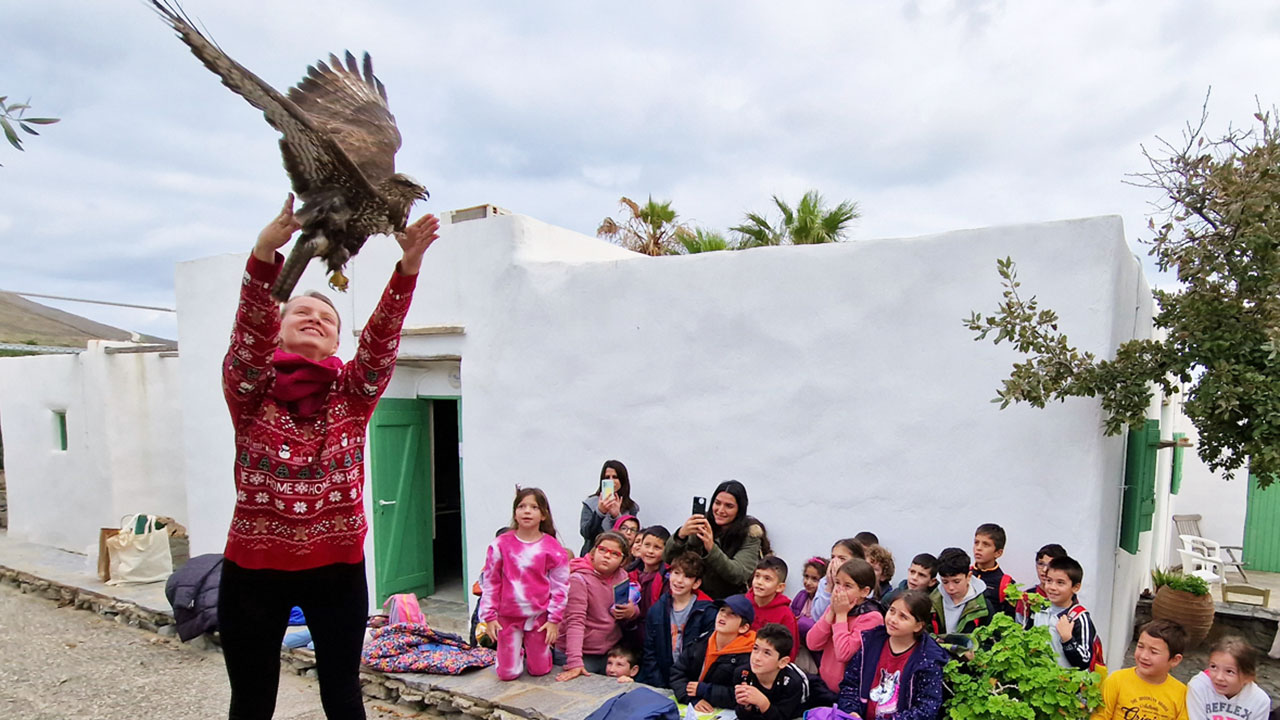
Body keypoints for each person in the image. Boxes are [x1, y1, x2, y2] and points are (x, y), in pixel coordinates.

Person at [218, 196, 438, 720]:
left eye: (326, 317)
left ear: (338, 338)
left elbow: (382, 341)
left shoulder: (352, 395)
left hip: (337, 570)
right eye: (301, 312)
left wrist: (407, 267)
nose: (314, 319)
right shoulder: (249, 391)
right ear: (281, 325)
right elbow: (249, 336)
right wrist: (264, 256)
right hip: (253, 571)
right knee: (251, 701)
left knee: (343, 696)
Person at [479, 488, 570, 681]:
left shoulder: (553, 548)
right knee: (507, 674)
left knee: (540, 670)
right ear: (515, 513)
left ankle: (532, 653)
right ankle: (512, 656)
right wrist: (489, 616)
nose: (527, 511)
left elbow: (560, 587)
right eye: (521, 506)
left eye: (534, 507)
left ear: (543, 514)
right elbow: (490, 582)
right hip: (507, 617)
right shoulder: (500, 545)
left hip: (539, 618)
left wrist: (554, 621)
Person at [837, 590, 950, 720]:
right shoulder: (870, 642)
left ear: (918, 626)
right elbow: (850, 684)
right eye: (892, 611)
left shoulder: (927, 659)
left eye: (903, 617)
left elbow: (927, 707)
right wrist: (851, 711)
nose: (893, 619)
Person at [556, 531, 639, 681]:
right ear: (593, 552)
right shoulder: (579, 579)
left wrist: (631, 611)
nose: (607, 556)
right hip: (580, 652)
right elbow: (575, 621)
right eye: (602, 550)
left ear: (623, 561)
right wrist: (575, 661)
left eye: (614, 554)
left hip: (609, 651)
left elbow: (628, 603)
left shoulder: (622, 576)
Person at [664, 480, 766, 599]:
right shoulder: (702, 522)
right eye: (717, 503)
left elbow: (738, 574)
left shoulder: (750, 534)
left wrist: (711, 548)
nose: (720, 510)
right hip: (693, 598)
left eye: (729, 506)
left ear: (740, 510)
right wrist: (680, 536)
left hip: (726, 602)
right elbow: (668, 558)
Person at [638, 551, 716, 688]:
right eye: (676, 573)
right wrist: (660, 685)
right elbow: (650, 653)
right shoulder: (656, 610)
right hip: (662, 680)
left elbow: (707, 655)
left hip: (692, 684)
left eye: (687, 576)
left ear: (696, 583)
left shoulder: (706, 612)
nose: (679, 580)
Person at [807, 558, 885, 693]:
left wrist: (841, 615)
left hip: (849, 691)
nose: (839, 590)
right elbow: (812, 643)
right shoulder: (836, 607)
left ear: (864, 591)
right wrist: (832, 611)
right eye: (837, 583)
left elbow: (844, 653)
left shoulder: (871, 617)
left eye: (848, 586)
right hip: (824, 684)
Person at [670, 594, 758, 713]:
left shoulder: (750, 656)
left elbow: (741, 695)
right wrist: (691, 699)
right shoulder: (702, 640)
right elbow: (677, 672)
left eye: (732, 614)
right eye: (722, 610)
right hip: (693, 707)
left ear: (743, 628)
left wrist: (704, 690)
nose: (723, 615)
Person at [1092, 619, 1188, 720]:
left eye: (1154, 652)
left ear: (1175, 660)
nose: (1143, 656)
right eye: (1140, 647)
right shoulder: (1117, 680)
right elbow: (1100, 716)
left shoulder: (1181, 694)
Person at [1021, 556, 1103, 672]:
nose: (1052, 587)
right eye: (1049, 581)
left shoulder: (1079, 617)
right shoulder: (1038, 608)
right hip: (1040, 681)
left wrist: (1067, 639)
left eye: (1060, 583)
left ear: (1075, 587)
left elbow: (1084, 661)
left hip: (1067, 684)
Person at [735, 623, 812, 720]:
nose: (757, 658)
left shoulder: (792, 683)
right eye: (755, 648)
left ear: (783, 662)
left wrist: (763, 703)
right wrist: (746, 706)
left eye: (767, 653)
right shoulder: (743, 673)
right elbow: (740, 713)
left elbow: (786, 716)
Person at [929, 548, 993, 659]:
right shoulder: (932, 601)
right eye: (945, 582)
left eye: (956, 581)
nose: (950, 588)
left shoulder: (983, 605)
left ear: (968, 576)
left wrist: (976, 655)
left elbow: (992, 640)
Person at [1187, 636, 1271, 720]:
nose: (1219, 677)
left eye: (1229, 672)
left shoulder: (1260, 701)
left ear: (1248, 677)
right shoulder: (1198, 687)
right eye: (1213, 667)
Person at [579, 460, 639, 556]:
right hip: (593, 555)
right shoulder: (591, 503)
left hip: (618, 556)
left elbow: (630, 536)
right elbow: (586, 533)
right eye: (607, 477)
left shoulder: (631, 507)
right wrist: (600, 513)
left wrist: (617, 517)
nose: (611, 481)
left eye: (615, 477)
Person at [808, 537, 867, 620]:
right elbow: (817, 616)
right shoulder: (825, 581)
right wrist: (829, 586)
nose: (835, 563)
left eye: (842, 559)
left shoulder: (863, 583)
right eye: (833, 558)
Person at [747, 556, 798, 648]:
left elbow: (789, 649)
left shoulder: (785, 615)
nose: (759, 582)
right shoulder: (743, 604)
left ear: (780, 587)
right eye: (757, 576)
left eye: (767, 579)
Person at [790, 556, 828, 674]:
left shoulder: (824, 601)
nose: (808, 582)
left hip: (817, 649)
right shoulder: (801, 596)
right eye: (806, 577)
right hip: (801, 645)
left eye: (814, 579)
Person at [972, 523, 1016, 616]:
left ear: (998, 553)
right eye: (976, 542)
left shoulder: (1006, 584)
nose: (978, 548)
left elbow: (1010, 618)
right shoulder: (964, 574)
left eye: (986, 545)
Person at [1015, 543, 1067, 620]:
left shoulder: (1067, 597)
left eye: (1051, 564)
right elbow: (1019, 627)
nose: (1044, 570)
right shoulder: (1027, 597)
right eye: (1041, 564)